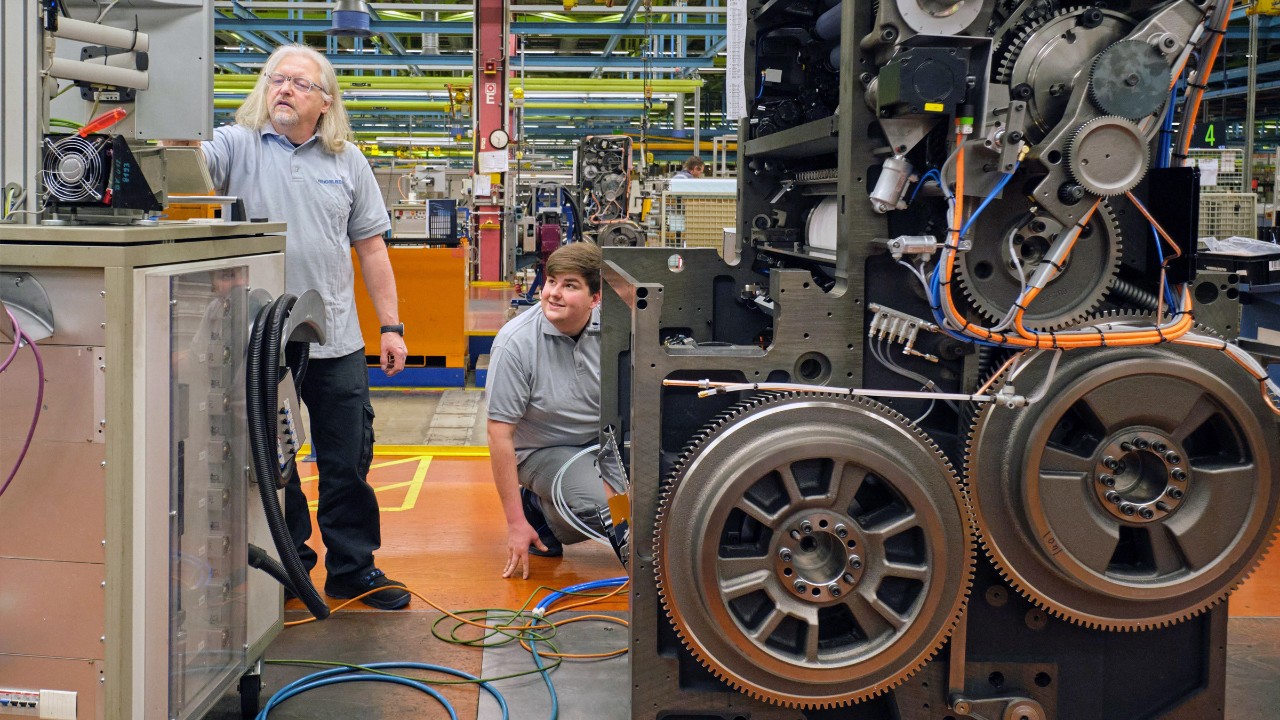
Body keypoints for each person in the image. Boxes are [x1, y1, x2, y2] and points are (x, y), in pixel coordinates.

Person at [196, 44, 411, 610]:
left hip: (336, 339)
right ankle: (292, 564)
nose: (283, 89)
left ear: (325, 100)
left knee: (348, 459)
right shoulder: (235, 145)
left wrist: (392, 326)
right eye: (276, 79)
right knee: (276, 463)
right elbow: (188, 163)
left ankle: (352, 567)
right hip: (261, 340)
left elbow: (371, 249)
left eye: (298, 82)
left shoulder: (347, 161)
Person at [487, 243, 624, 579]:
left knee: (659, 498)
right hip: (542, 450)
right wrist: (515, 523)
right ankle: (539, 513)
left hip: (602, 442)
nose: (554, 294)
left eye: (570, 285)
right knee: (609, 511)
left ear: (596, 297)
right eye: (552, 282)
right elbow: (499, 435)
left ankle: (566, 504)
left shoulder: (617, 330)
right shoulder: (516, 344)